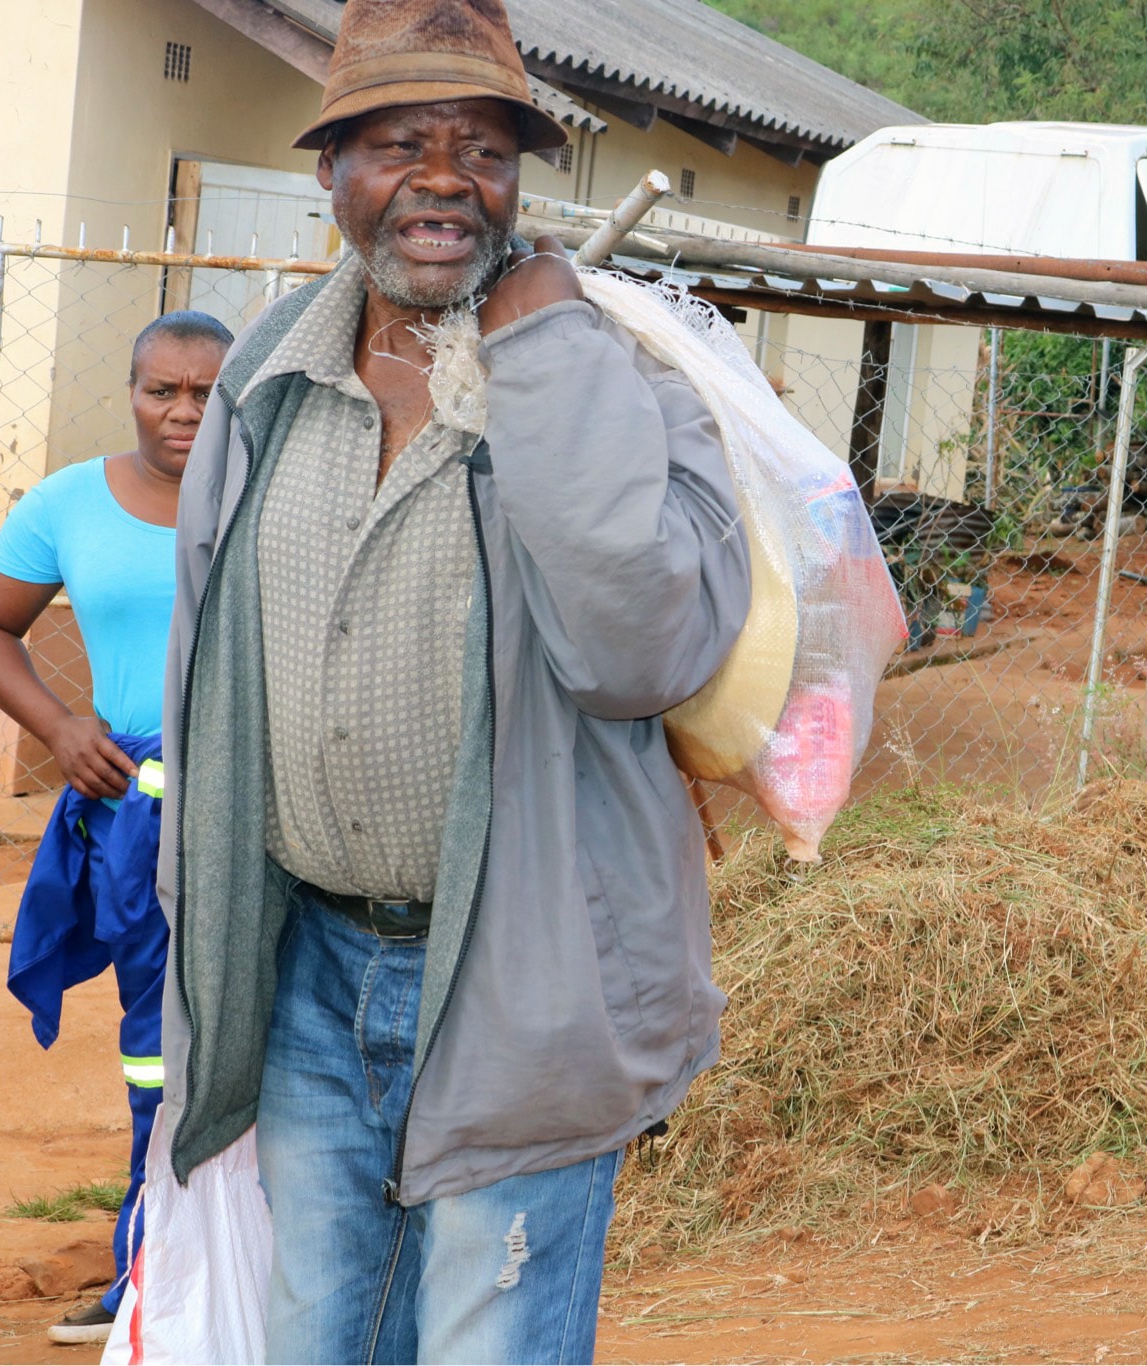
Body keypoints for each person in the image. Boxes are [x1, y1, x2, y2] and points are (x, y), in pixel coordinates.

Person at [155, 0, 752, 1360]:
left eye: (482, 146)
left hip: (521, 981)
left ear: (520, 179)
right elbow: (207, 686)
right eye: (399, 142)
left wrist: (541, 353)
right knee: (322, 1339)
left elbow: (638, 652)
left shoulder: (620, 378)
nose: (442, 177)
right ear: (331, 172)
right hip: (307, 965)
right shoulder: (263, 382)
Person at [0, 311, 234, 1346]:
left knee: (266, 1043)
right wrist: (61, 725)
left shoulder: (265, 495)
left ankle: (253, 1276)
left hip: (255, 812)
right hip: (135, 818)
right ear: (132, 388)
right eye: (165, 389)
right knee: (156, 1053)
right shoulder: (69, 500)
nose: (186, 411)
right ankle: (147, 1274)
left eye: (209, 392)